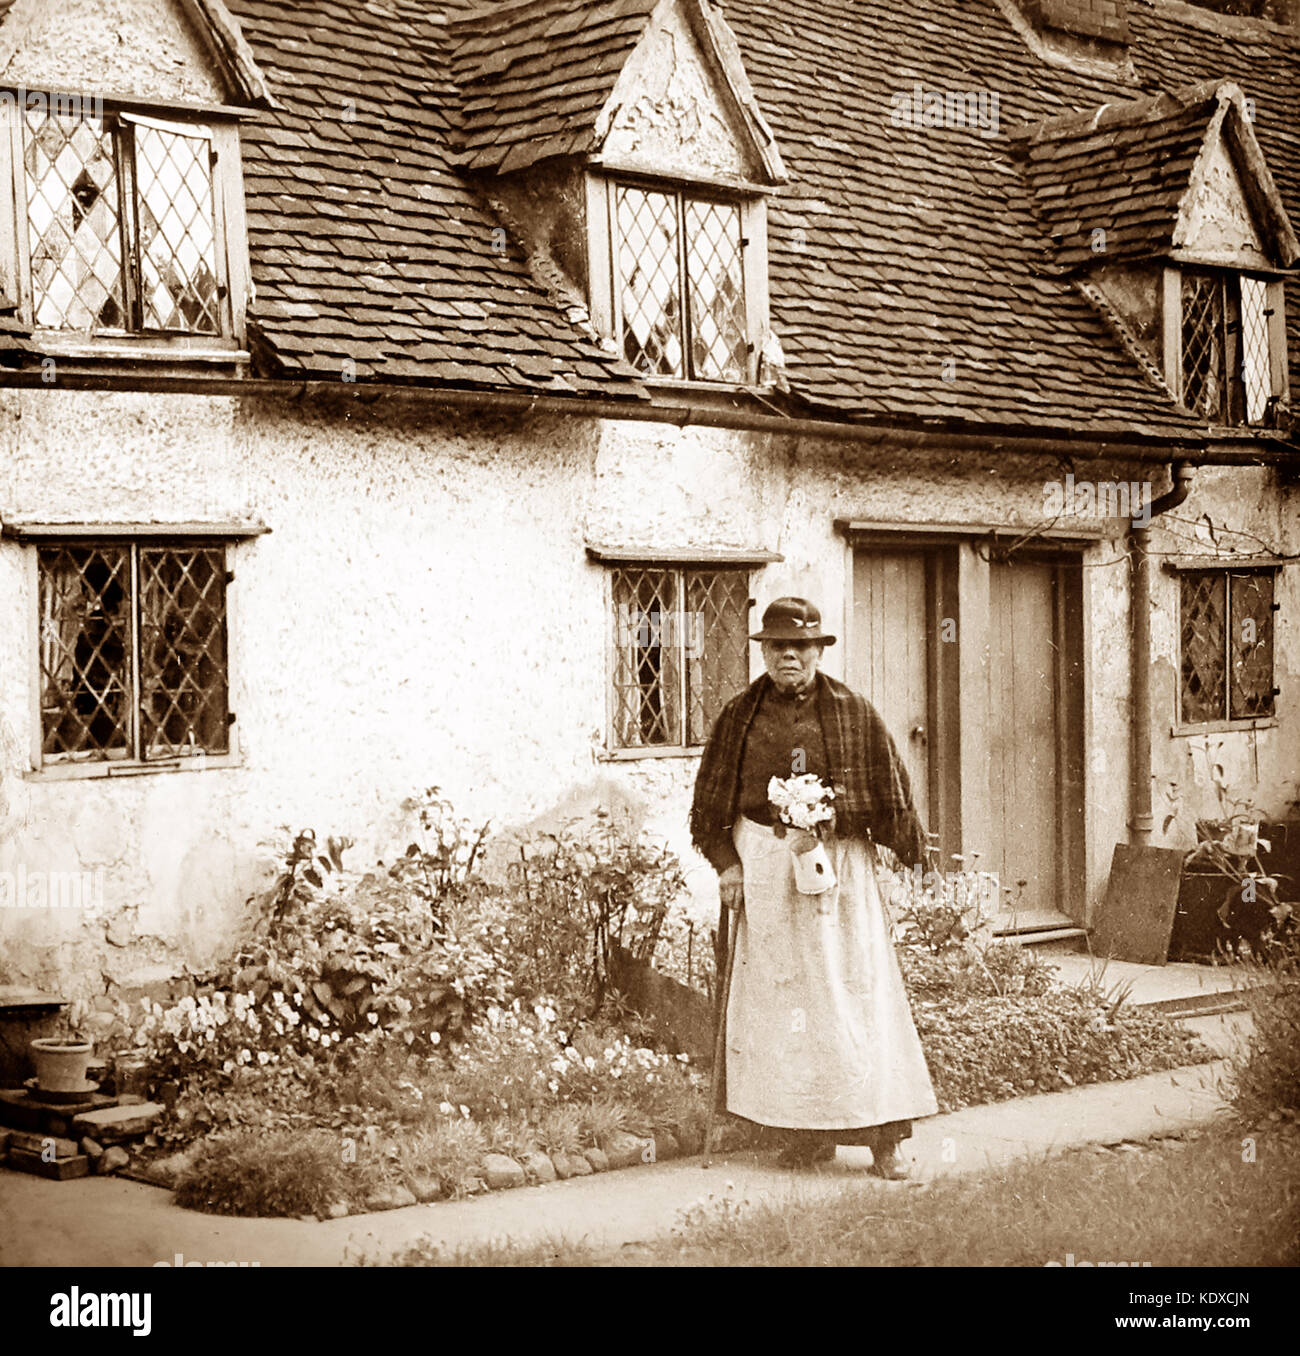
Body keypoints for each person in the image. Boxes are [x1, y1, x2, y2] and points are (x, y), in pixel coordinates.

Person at [689, 596, 938, 1174]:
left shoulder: (854, 712)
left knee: (853, 995)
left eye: (801, 646)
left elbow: (890, 794)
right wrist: (727, 864)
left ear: (818, 651)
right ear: (765, 652)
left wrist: (895, 844)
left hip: (839, 872)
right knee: (784, 1003)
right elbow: (710, 803)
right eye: (779, 646)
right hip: (766, 867)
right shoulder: (739, 716)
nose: (790, 656)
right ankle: (805, 1133)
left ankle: (884, 1138)